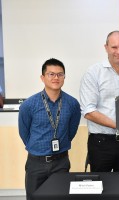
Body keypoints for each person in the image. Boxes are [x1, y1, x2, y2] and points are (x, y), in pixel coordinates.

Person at [79, 31, 119, 172]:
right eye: (114, 47)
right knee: (101, 187)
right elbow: (88, 111)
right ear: (106, 47)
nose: (118, 52)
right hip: (101, 143)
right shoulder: (93, 73)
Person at [18, 58, 81, 200]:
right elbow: (24, 133)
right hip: (36, 163)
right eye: (51, 74)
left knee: (61, 197)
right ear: (42, 77)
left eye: (60, 74)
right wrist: (37, 147)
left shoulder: (72, 104)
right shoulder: (29, 104)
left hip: (61, 162)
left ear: (64, 77)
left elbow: (71, 131)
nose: (56, 78)